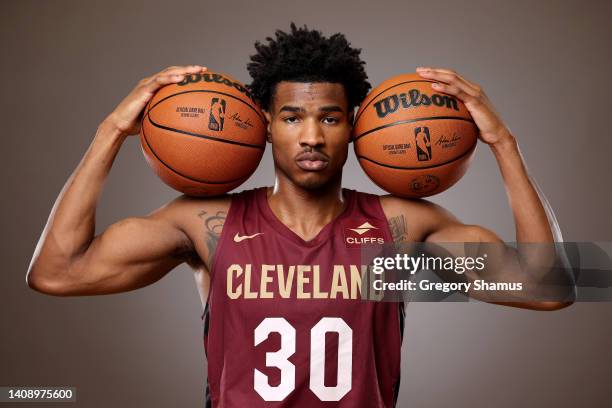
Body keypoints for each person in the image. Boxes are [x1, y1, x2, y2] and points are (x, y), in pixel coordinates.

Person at [26, 24, 573, 407]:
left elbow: (550, 286)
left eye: (330, 117)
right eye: (292, 117)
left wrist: (503, 141)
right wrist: (110, 133)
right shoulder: (206, 224)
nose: (311, 136)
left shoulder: (401, 229)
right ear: (265, 125)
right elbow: (57, 271)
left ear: (354, 127)